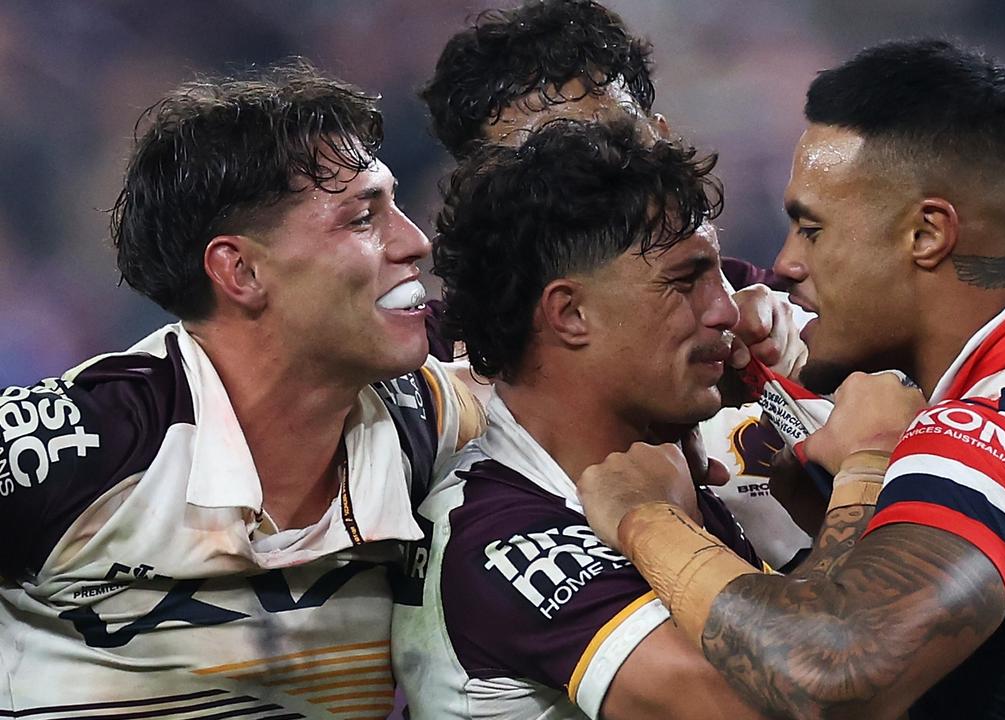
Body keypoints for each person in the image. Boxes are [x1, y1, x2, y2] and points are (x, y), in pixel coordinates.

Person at [576, 39, 1005, 719]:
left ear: (928, 234)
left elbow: (834, 675)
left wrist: (648, 517)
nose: (784, 262)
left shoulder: (986, 430)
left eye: (811, 229)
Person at [0, 62, 483, 715]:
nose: (416, 242)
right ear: (241, 271)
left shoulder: (429, 419)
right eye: (363, 218)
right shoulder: (75, 449)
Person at [391, 119, 768, 720]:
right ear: (570, 314)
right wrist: (863, 473)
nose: (725, 310)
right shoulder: (499, 538)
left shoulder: (659, 464)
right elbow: (806, 697)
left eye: (719, 276)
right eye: (685, 282)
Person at [422, 0, 813, 570]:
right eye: (537, 162)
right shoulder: (426, 373)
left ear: (659, 136)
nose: (592, 173)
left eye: (609, 139)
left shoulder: (777, 318)